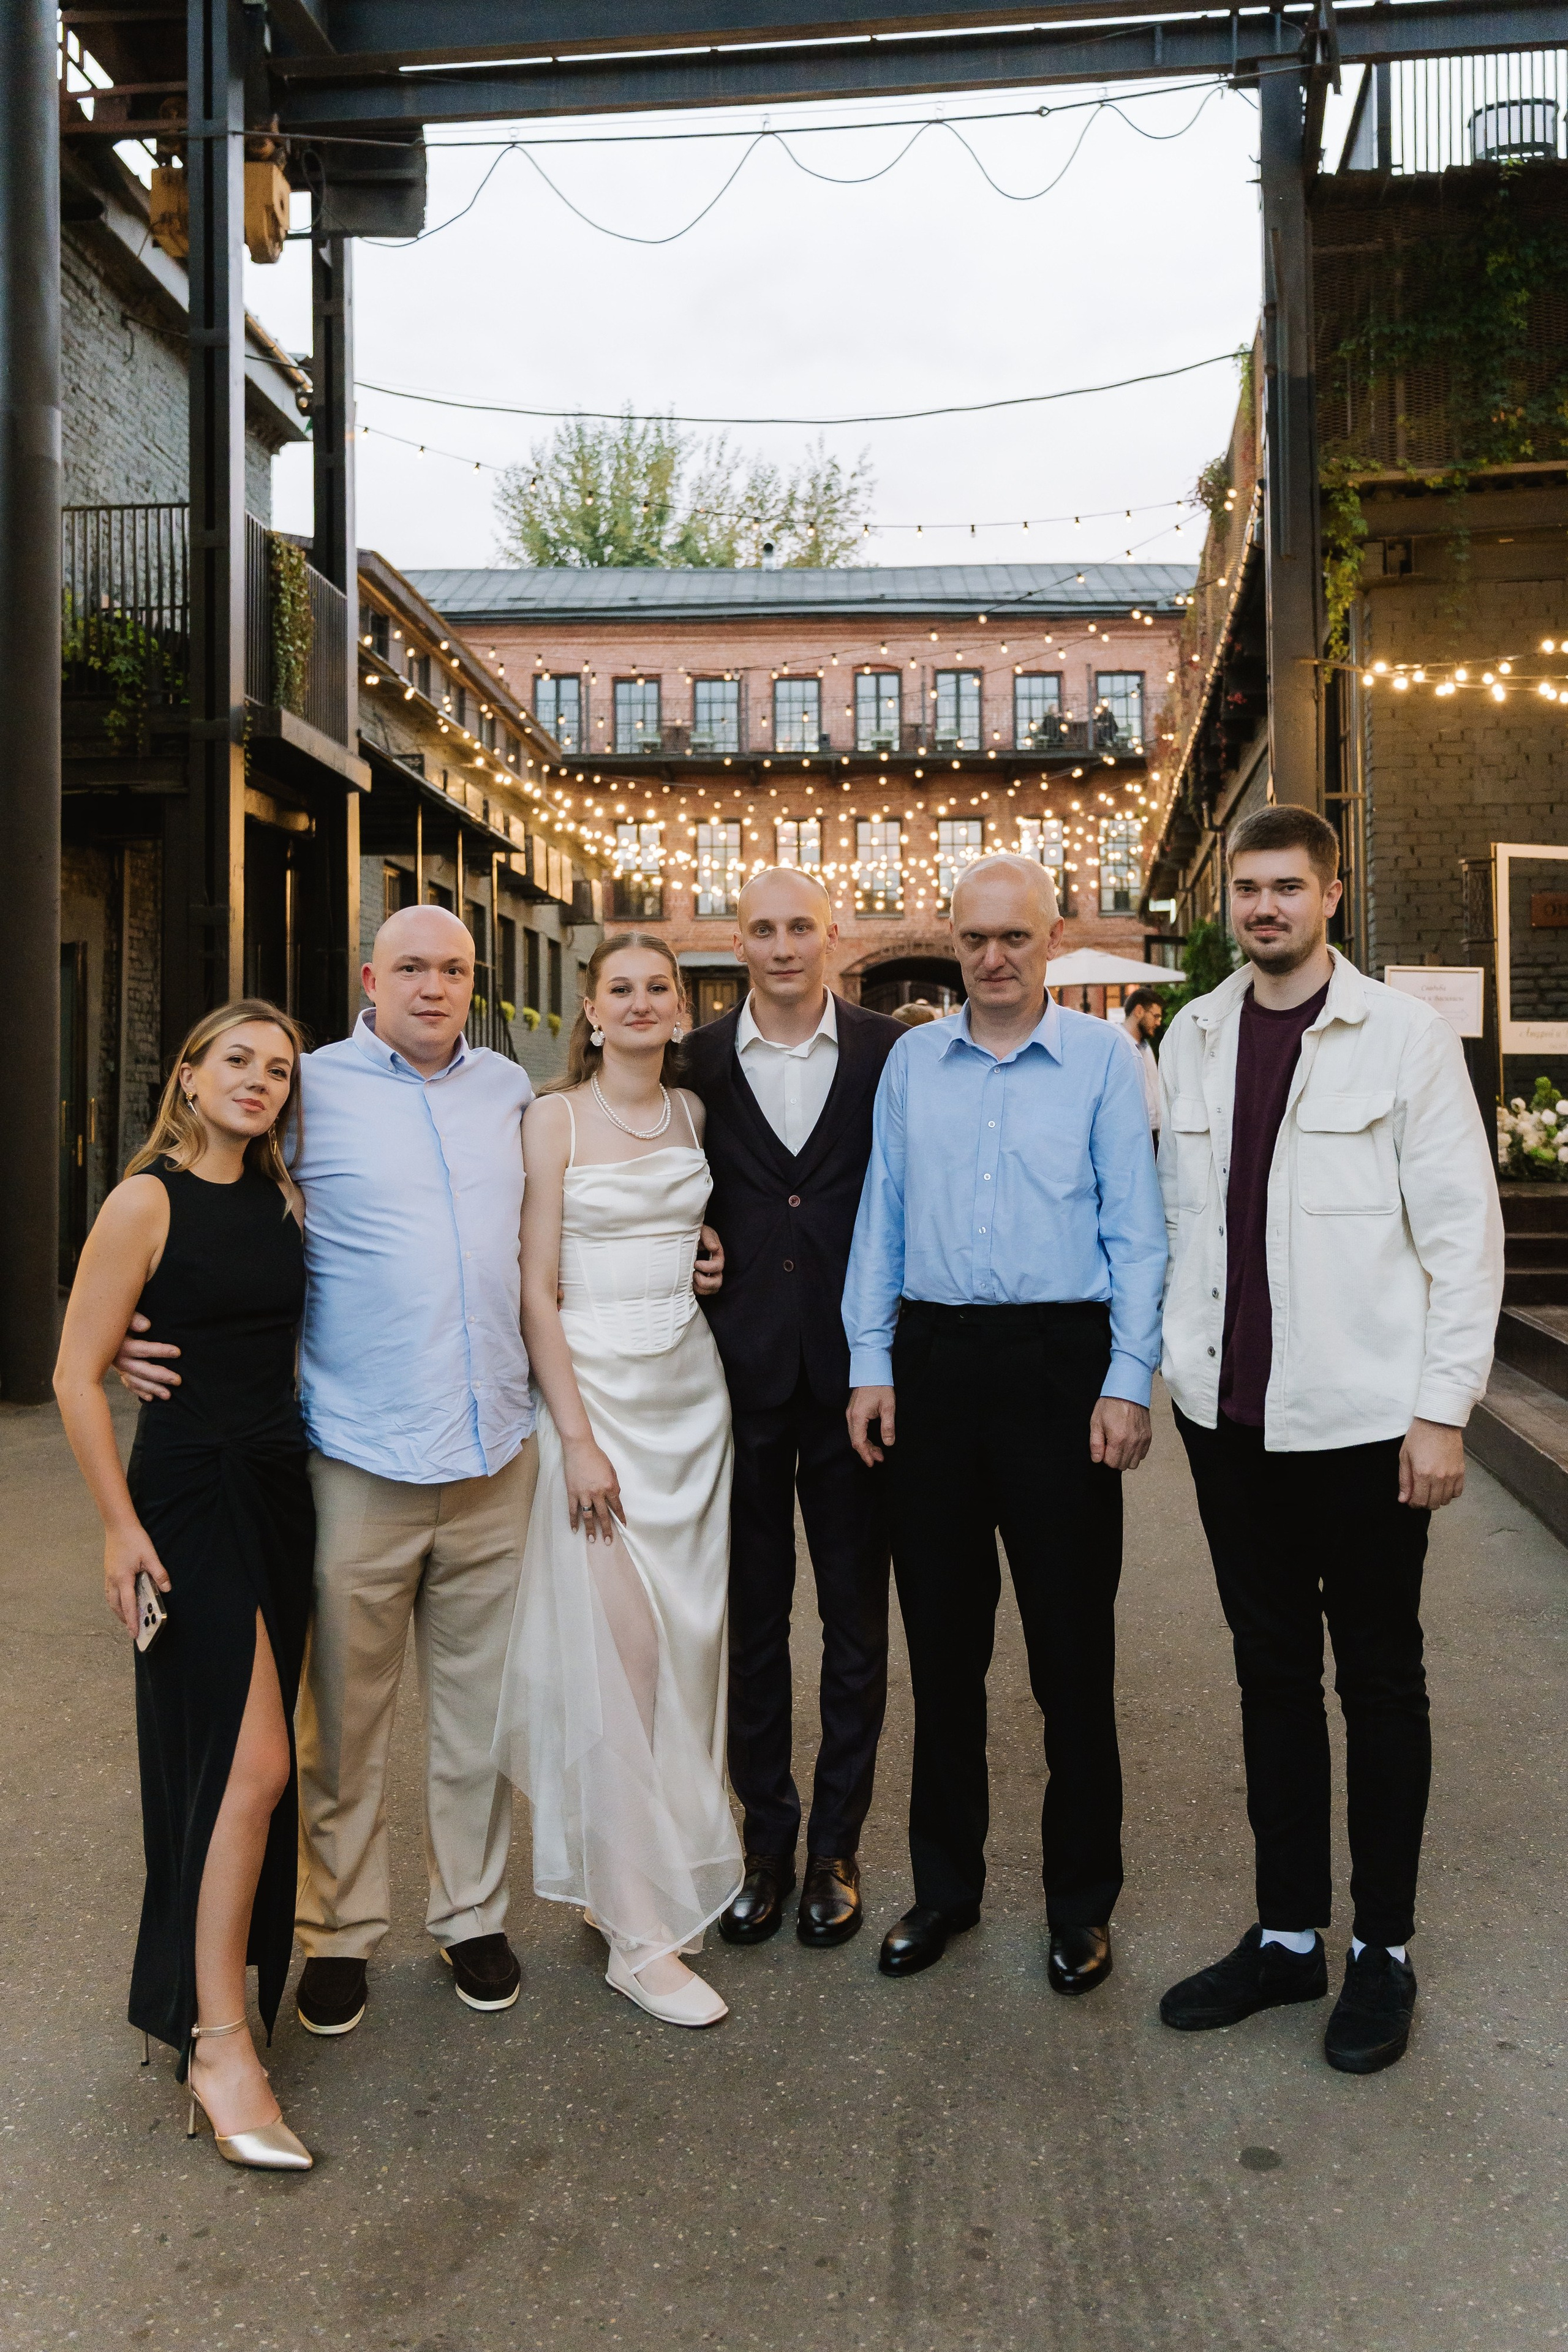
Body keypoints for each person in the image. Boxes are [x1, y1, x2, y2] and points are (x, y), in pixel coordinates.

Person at [116, 907, 539, 2038]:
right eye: (413, 967)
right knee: (341, 1723)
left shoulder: (510, 1093)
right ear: (370, 977)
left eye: (455, 969)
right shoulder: (312, 1091)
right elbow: (205, 1208)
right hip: (356, 1455)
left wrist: (697, 1248)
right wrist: (122, 1328)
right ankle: (339, 1934)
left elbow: (568, 1225)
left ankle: (471, 1917)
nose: (435, 986)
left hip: (498, 1446)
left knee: (475, 1717)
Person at [1156, 805, 1504, 2074]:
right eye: (1245, 890)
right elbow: (1173, 1217)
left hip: (1365, 1427)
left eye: (1285, 889)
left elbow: (1462, 1237)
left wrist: (1439, 1409)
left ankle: (1384, 1951)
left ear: (1330, 896)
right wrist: (1166, 1370)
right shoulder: (1191, 1037)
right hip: (1226, 1420)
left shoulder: (1399, 1039)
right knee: (1266, 1679)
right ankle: (1289, 1935)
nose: (1262, 909)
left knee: (1376, 1679)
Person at [843, 854, 1167, 1986]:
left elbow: (1138, 1229)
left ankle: (1080, 1902)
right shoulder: (910, 1066)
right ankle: (945, 1892)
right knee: (944, 1655)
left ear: (1050, 936)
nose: (992, 957)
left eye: (1014, 938)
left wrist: (1128, 1378)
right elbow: (880, 1215)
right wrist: (871, 1362)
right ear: (952, 936)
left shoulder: (1101, 1060)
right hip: (933, 1363)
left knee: (1071, 1656)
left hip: (1058, 1365)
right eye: (975, 937)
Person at [56, 1002, 315, 2169]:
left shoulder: (280, 1196)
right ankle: (218, 2042)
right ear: (191, 1076)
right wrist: (118, 1530)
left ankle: (215, 2006)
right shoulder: (145, 1197)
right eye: (239, 1063)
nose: (258, 1082)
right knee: (250, 1764)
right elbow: (72, 1370)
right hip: (188, 1497)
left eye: (277, 1070)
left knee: (238, 1767)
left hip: (276, 1493)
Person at [492, 935, 742, 2027]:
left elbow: (686, 1234)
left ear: (679, 1010)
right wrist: (577, 1438)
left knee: (685, 1654)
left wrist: (711, 1252)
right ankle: (639, 1939)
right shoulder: (554, 1119)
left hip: (694, 1400)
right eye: (620, 990)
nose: (641, 1004)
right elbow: (537, 1291)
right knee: (620, 1659)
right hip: (599, 1403)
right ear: (590, 1012)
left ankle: (627, 1886)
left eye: (658, 990)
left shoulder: (691, 1118)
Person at [682, 869, 902, 1948]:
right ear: (739, 940)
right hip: (740, 1381)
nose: (782, 946)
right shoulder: (695, 1067)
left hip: (858, 1385)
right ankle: (765, 1841)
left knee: (857, 1624)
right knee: (753, 1625)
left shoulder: (888, 1053)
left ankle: (837, 1848)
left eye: (800, 928)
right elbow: (650, 1186)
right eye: (763, 929)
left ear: (834, 935)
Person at [1120, 988, 1165, 1144]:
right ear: (1139, 1011)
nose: (1159, 1022)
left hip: (1153, 1133)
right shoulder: (1118, 1045)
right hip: (1131, 1136)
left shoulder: (1146, 1048)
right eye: (1156, 1016)